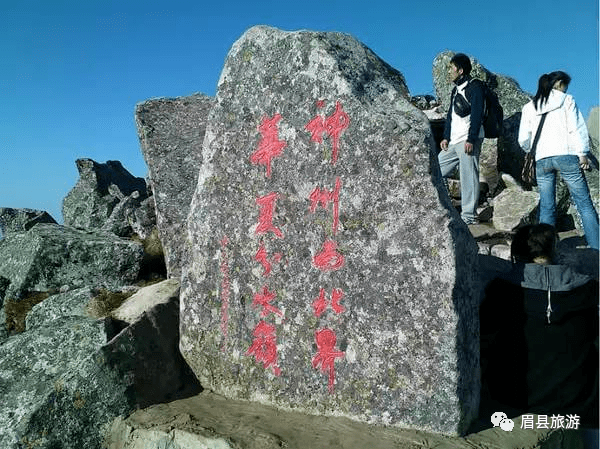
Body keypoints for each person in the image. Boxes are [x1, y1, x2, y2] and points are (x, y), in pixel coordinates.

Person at [480, 224, 599, 426]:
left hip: (513, 398)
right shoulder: (587, 289)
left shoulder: (501, 290)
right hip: (576, 401)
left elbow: (484, 333)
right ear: (554, 251)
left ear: (516, 251)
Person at [518, 71, 599, 250]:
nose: (566, 89)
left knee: (547, 208)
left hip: (542, 160)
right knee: (584, 205)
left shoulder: (529, 106)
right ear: (559, 83)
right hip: (566, 155)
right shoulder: (567, 100)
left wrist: (534, 150)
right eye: (565, 85)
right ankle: (596, 249)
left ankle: (546, 251)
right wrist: (582, 153)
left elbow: (523, 139)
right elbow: (576, 128)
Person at [438, 53, 485, 225]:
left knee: (468, 177)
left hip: (468, 139)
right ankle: (442, 207)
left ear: (461, 70)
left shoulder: (475, 87)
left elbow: (477, 113)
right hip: (454, 141)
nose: (449, 72)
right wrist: (445, 137)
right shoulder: (455, 90)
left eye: (451, 68)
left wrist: (471, 139)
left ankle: (469, 216)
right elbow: (451, 116)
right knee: (436, 170)